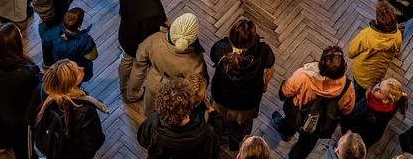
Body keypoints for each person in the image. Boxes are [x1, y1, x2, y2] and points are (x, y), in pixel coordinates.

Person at [271, 45, 357, 159]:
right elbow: (347, 111)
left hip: (296, 114)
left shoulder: (303, 75)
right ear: (345, 66)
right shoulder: (348, 88)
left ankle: (286, 133)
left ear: (320, 65)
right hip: (319, 125)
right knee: (306, 145)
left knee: (288, 124)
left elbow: (285, 92)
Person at [210, 17, 276, 150]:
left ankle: (219, 137)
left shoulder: (220, 48)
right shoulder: (263, 50)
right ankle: (235, 143)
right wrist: (265, 84)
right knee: (240, 126)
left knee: (219, 119)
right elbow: (270, 69)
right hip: (247, 102)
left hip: (222, 96)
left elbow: (214, 60)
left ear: (231, 36)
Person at [0, 23, 41, 159]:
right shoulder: (25, 73)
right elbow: (37, 91)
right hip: (21, 116)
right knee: (22, 142)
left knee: (0, 124)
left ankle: (1, 144)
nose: (21, 35)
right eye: (19, 36)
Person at [127, 13, 208, 114]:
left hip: (153, 85)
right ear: (193, 38)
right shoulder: (196, 61)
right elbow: (198, 85)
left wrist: (132, 92)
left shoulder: (155, 40)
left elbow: (139, 61)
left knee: (150, 113)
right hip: (175, 95)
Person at [29, 60, 107, 159]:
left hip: (52, 147)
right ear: (70, 83)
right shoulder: (85, 110)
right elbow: (92, 144)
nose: (82, 68)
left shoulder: (43, 92)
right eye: (77, 71)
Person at [116, 0, 168, 101]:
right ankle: (133, 94)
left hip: (125, 32)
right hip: (139, 43)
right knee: (139, 69)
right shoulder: (152, 10)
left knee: (126, 59)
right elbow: (151, 34)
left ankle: (123, 85)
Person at [137, 77, 221, 158]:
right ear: (191, 105)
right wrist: (215, 117)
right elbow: (212, 154)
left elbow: (143, 140)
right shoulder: (205, 133)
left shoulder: (152, 122)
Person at [346, 0, 403, 102]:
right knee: (370, 95)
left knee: (355, 96)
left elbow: (350, 52)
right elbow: (397, 51)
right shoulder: (398, 35)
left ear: (377, 20)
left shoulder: (366, 35)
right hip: (377, 77)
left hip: (361, 75)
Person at [340, 78, 408, 149]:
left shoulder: (371, 117)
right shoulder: (391, 102)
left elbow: (356, 127)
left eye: (380, 91)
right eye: (379, 84)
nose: (375, 88)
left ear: (385, 100)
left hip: (359, 136)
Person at [39, 7, 99, 83]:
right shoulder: (86, 40)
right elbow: (92, 56)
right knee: (74, 83)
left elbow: (43, 31)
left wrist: (42, 24)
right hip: (75, 73)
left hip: (57, 68)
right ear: (79, 24)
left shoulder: (51, 32)